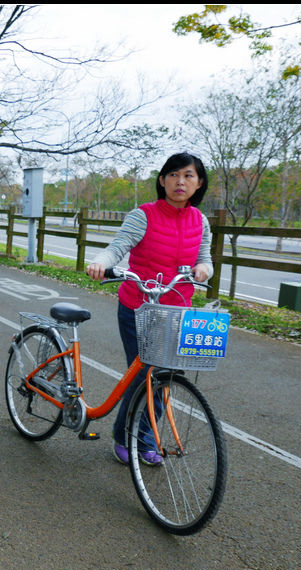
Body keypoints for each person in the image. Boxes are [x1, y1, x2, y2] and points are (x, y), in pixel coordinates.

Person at [86, 152, 213, 466]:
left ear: (199, 183)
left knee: (165, 378)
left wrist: (203, 270)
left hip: (178, 311)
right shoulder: (143, 215)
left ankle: (144, 441)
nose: (180, 182)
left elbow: (205, 258)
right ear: (162, 180)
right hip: (138, 308)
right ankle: (126, 435)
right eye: (173, 175)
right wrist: (102, 263)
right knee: (143, 375)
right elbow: (118, 246)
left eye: (188, 175)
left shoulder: (201, 221)